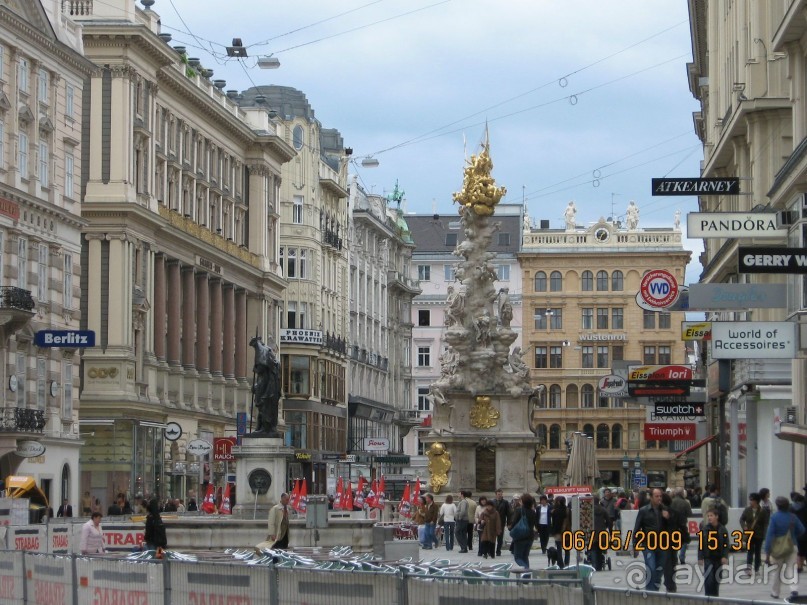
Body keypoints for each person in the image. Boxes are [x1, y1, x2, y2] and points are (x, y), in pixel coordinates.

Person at [764, 495, 805, 599]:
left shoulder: (774, 517)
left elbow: (769, 536)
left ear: (777, 506)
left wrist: (767, 552)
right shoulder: (793, 517)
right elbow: (802, 530)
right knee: (792, 568)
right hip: (792, 546)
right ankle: (794, 590)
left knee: (776, 571)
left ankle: (775, 592)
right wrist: (793, 536)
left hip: (777, 548)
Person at [632, 487, 669, 592]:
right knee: (651, 567)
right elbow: (637, 528)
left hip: (662, 544)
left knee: (660, 569)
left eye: (660, 496)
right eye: (657, 496)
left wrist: (668, 518)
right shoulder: (644, 510)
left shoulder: (665, 509)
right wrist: (635, 545)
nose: (659, 498)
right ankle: (650, 592)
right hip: (648, 544)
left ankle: (655, 589)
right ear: (651, 497)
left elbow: (672, 528)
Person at [248, 336, 282, 436]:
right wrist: (256, 387)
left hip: (269, 395)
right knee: (262, 410)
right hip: (268, 394)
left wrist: (258, 388)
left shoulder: (270, 371)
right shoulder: (270, 370)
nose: (257, 370)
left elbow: (264, 379)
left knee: (265, 410)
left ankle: (265, 428)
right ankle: (261, 427)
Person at [698, 508, 729, 597]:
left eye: (711, 515)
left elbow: (726, 544)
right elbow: (701, 544)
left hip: (718, 558)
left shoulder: (722, 529)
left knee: (717, 578)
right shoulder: (705, 529)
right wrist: (700, 557)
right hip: (708, 557)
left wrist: (724, 556)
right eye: (708, 516)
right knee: (709, 578)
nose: (709, 518)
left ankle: (715, 597)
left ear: (716, 517)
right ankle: (708, 596)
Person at [740, 492, 769, 575]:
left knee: (757, 552)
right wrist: (744, 526)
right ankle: (748, 568)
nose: (750, 502)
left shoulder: (763, 511)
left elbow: (765, 523)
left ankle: (756, 568)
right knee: (750, 551)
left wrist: (764, 533)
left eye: (752, 500)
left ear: (756, 501)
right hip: (749, 533)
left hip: (759, 534)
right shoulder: (747, 510)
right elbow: (741, 519)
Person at [508, 493, 537, 569]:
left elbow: (514, 523)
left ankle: (526, 568)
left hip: (520, 537)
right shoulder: (533, 512)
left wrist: (510, 528)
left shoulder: (519, 511)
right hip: (530, 536)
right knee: (525, 556)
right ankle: (526, 578)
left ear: (523, 501)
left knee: (517, 557)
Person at [669, 487, 692, 565]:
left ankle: (674, 557)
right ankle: (682, 557)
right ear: (682, 493)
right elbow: (689, 514)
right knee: (684, 541)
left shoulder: (670, 502)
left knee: (673, 541)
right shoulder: (685, 503)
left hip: (672, 525)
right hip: (682, 524)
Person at [492, 488, 511, 556]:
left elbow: (508, 513)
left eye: (501, 494)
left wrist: (509, 523)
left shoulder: (505, 502)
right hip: (493, 522)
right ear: (496, 495)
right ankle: (492, 550)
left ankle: (498, 550)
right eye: (498, 494)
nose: (500, 495)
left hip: (501, 522)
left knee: (500, 538)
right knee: (493, 537)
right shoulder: (492, 502)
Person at [551, 496, 568, 569]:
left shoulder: (555, 511)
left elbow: (554, 522)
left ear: (557, 502)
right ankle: (567, 563)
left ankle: (560, 564)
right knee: (567, 549)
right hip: (567, 531)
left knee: (559, 548)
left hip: (558, 532)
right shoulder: (567, 510)